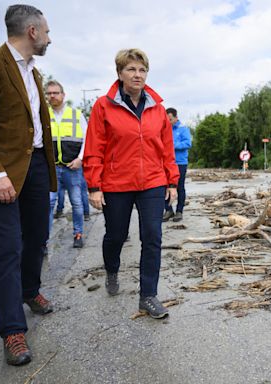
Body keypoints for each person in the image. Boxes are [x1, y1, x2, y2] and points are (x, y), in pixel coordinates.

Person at [0, 4, 56, 366]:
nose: (50, 38)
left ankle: (30, 291)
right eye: (48, 32)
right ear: (33, 32)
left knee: (37, 238)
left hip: (37, 166)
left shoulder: (34, 73)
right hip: (2, 175)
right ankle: (12, 331)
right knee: (6, 250)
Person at [83, 48, 179, 319]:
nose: (137, 75)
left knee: (153, 236)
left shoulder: (157, 109)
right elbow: (94, 147)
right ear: (120, 73)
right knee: (115, 235)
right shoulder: (103, 105)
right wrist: (94, 185)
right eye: (131, 69)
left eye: (142, 70)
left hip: (152, 182)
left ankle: (148, 295)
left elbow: (166, 149)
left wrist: (172, 181)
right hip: (116, 183)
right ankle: (112, 269)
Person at [45, 80, 87, 247]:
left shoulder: (76, 114)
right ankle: (44, 241)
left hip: (72, 167)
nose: (52, 96)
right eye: (49, 93)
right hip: (52, 168)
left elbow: (87, 139)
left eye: (55, 92)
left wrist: (80, 159)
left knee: (77, 202)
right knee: (48, 204)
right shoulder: (43, 115)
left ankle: (78, 233)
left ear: (63, 95)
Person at [163, 108, 191, 222]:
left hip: (180, 163)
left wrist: (172, 145)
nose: (168, 121)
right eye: (166, 119)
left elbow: (187, 143)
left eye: (170, 119)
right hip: (166, 163)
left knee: (179, 187)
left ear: (175, 117)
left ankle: (179, 211)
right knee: (164, 187)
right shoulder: (164, 129)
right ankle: (168, 210)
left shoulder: (183, 129)